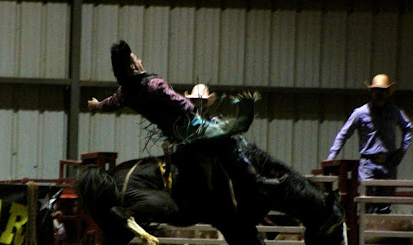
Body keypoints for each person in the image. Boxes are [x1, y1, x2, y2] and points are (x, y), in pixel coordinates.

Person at [87, 40, 278, 198]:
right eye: (136, 57)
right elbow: (177, 101)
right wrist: (195, 109)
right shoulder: (153, 84)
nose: (140, 59)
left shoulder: (125, 93)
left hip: (174, 135)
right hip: (191, 128)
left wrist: (97, 105)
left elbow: (109, 104)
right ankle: (254, 179)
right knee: (230, 136)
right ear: (132, 65)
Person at [327, 74, 413, 214]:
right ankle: (364, 234)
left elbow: (408, 127)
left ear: (387, 93)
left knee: (384, 205)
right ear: (371, 92)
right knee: (365, 201)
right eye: (376, 90)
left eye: (381, 90)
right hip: (368, 163)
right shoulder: (360, 113)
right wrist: (331, 157)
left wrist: (402, 151)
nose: (378, 93)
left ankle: (381, 234)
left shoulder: (394, 112)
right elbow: (343, 134)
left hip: (388, 163)